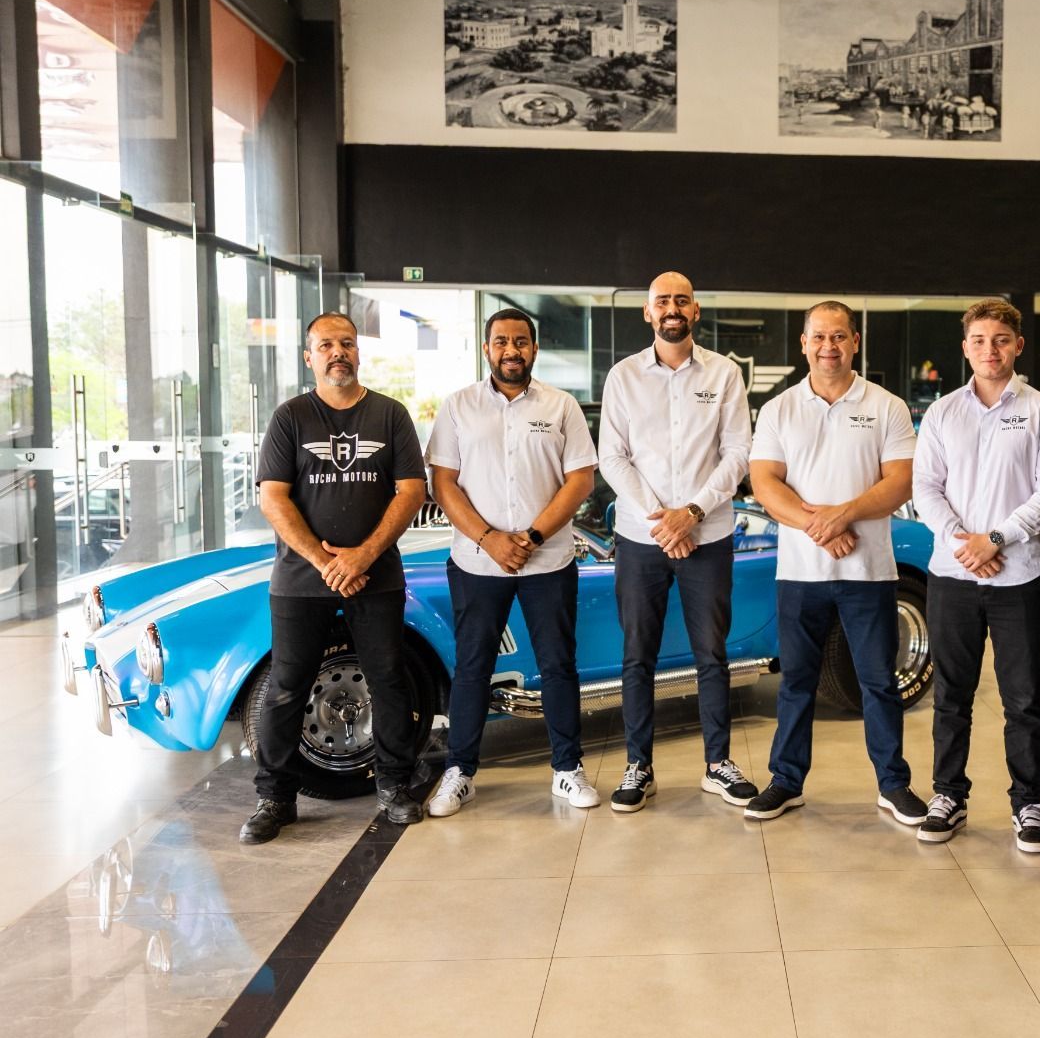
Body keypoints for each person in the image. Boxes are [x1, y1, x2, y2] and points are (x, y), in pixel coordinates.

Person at [243, 312, 426, 843]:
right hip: (301, 579)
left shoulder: (390, 415)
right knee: (285, 687)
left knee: (388, 680)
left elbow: (410, 491)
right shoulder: (290, 418)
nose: (337, 352)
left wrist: (362, 557)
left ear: (358, 353)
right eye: (326, 345)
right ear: (310, 357)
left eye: (346, 343)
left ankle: (393, 784)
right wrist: (328, 563)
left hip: (378, 575)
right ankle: (275, 798)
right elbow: (272, 497)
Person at [745, 301, 927, 826]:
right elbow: (765, 482)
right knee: (796, 682)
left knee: (878, 682)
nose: (829, 346)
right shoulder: (779, 409)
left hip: (868, 572)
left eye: (840, 337)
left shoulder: (887, 406)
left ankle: (894, 786)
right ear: (803, 343)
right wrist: (817, 527)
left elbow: (900, 481)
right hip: (801, 573)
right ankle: (786, 780)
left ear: (855, 342)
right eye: (819, 337)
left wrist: (842, 515)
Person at [424, 309, 599, 817]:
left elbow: (580, 481)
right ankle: (460, 772)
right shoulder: (459, 407)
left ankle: (567, 770)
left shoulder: (561, 406)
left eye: (521, 341)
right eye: (501, 341)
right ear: (487, 349)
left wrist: (532, 535)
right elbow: (443, 483)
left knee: (558, 665)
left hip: (549, 561)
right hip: (477, 563)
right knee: (473, 667)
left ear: (534, 349)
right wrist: (490, 539)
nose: (511, 350)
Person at [911, 299, 1040, 852]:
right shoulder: (942, 413)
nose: (990, 349)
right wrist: (963, 543)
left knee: (1023, 699)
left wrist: (995, 540)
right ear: (965, 348)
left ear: (1018, 346)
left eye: (1000, 339)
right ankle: (947, 793)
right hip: (952, 576)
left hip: (1018, 576)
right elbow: (924, 487)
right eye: (979, 340)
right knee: (951, 693)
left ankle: (1028, 803)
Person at [597, 271, 756, 812]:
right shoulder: (622, 377)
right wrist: (661, 520)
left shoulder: (725, 374)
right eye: (662, 300)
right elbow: (612, 457)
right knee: (636, 655)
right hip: (642, 539)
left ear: (695, 310)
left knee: (712, 653)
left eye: (681, 300)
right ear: (648, 312)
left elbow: (738, 453)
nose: (672, 308)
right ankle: (638, 766)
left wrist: (691, 513)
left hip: (707, 535)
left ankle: (717, 764)